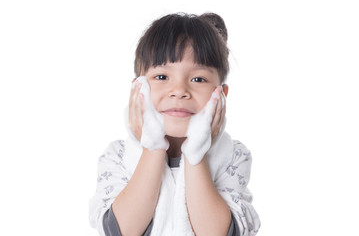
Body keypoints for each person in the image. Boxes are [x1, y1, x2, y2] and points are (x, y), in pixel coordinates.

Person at [89, 12, 260, 236]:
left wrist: (195, 155)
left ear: (222, 95)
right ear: (137, 89)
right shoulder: (118, 155)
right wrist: (152, 147)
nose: (179, 90)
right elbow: (122, 231)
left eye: (198, 79)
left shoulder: (233, 156)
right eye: (162, 77)